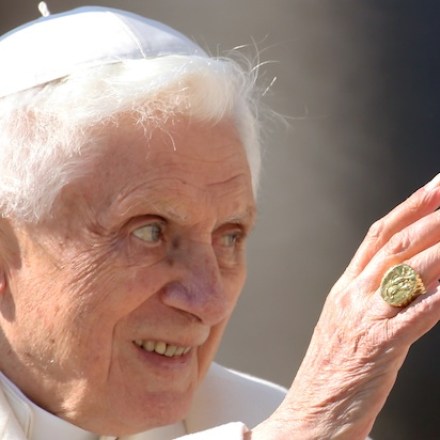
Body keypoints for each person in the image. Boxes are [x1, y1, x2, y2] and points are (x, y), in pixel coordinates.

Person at [0, 4, 439, 440]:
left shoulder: (262, 413)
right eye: (149, 232)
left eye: (229, 237)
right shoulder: (303, 426)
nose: (209, 303)